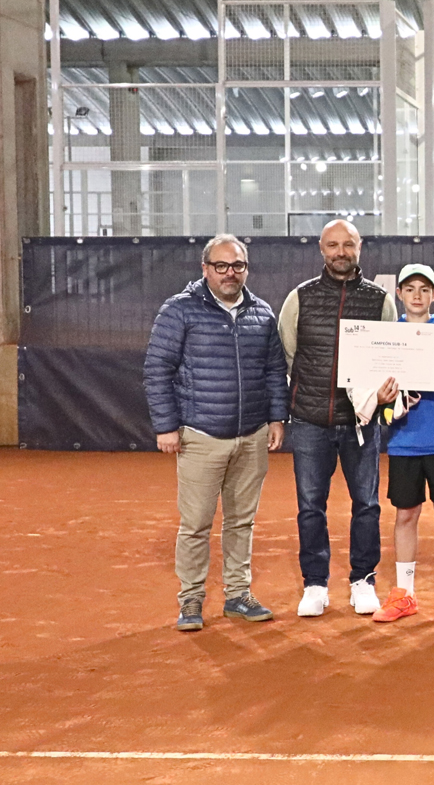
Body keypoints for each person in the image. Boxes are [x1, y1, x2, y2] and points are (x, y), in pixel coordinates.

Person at [144, 234, 288, 631]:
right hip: (200, 436)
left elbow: (275, 370)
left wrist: (277, 417)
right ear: (205, 269)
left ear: (246, 269)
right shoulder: (179, 310)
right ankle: (190, 600)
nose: (230, 273)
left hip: (252, 434)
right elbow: (157, 370)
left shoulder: (262, 312)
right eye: (221, 266)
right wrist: (166, 426)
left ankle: (238, 595)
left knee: (242, 521)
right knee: (196, 524)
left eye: (237, 265)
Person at [278, 219, 399, 618]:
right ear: (321, 249)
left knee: (366, 504)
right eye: (333, 245)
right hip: (311, 421)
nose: (341, 251)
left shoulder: (380, 300)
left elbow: (390, 361)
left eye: (348, 244)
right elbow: (289, 357)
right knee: (311, 505)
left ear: (359, 247)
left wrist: (377, 398)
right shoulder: (300, 298)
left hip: (362, 424)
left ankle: (363, 580)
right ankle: (315, 584)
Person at [373, 264, 434, 625]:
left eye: (424, 289)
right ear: (399, 293)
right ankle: (405, 593)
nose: (417, 295)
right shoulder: (387, 335)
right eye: (410, 288)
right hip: (403, 442)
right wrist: (387, 399)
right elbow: (376, 392)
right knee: (406, 515)